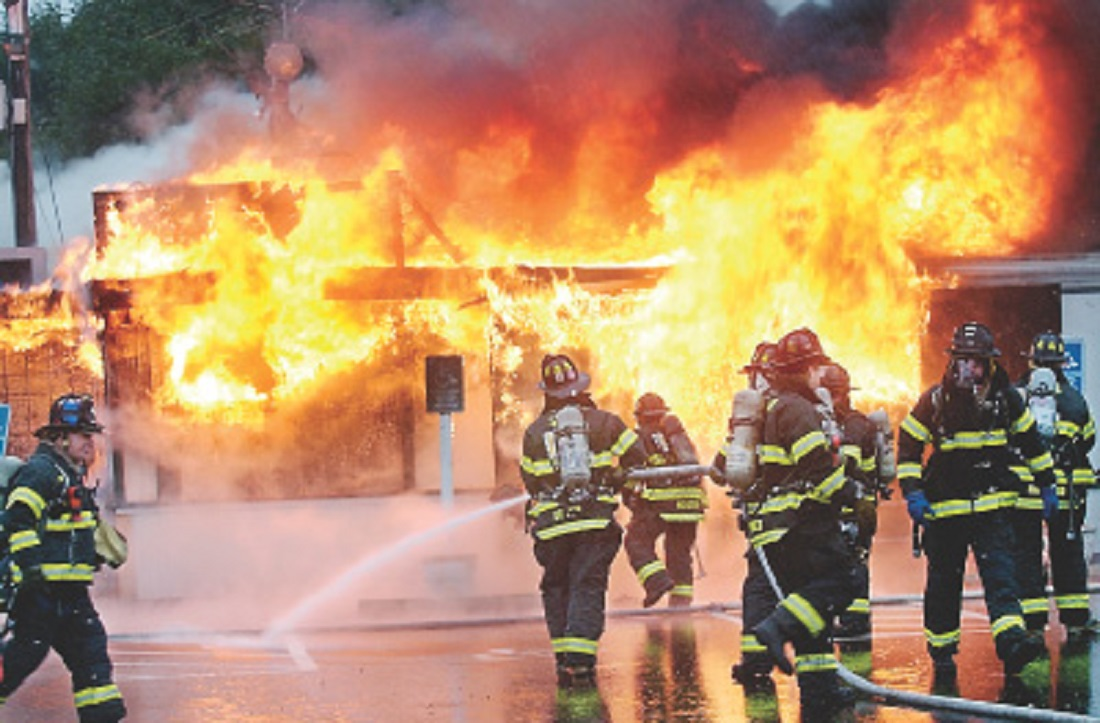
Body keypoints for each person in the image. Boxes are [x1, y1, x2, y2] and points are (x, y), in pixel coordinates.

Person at [897, 321, 1055, 682]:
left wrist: (1048, 485)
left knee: (1003, 580)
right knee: (943, 585)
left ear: (991, 364)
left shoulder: (1006, 400)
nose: (973, 370)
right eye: (966, 361)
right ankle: (942, 653)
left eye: (979, 362)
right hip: (945, 513)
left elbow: (1032, 445)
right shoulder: (935, 400)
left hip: (992, 511)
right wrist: (914, 492)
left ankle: (1012, 645)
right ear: (954, 362)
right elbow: (907, 447)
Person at [738, 328, 860, 718]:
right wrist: (852, 493)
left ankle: (820, 689)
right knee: (843, 582)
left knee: (814, 611)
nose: (818, 375)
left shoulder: (774, 406)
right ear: (804, 369)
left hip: (777, 526)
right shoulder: (796, 409)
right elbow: (817, 470)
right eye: (815, 367)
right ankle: (777, 627)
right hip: (800, 525)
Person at [519, 354, 646, 689]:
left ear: (547, 390)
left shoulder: (534, 432)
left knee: (556, 587)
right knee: (586, 585)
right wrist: (617, 480)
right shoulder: (605, 422)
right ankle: (581, 660)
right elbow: (638, 455)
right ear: (578, 386)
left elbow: (531, 482)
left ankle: (564, 658)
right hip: (593, 523)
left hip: (552, 526)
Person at [0, 394, 127, 722]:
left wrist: (97, 552)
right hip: (39, 594)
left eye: (92, 435)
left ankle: (102, 717)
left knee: (93, 661)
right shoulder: (41, 473)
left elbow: (74, 531)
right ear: (59, 437)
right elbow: (18, 519)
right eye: (83, 435)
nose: (90, 442)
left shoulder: (72, 477)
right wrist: (30, 572)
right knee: (19, 659)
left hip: (71, 594)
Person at [1010, 331, 1097, 643]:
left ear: (1031, 361)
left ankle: (1033, 623)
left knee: (1026, 554)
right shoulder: (1073, 400)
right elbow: (1088, 439)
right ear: (1062, 363)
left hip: (1024, 493)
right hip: (1066, 493)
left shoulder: (1015, 395)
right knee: (1068, 553)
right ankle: (1075, 621)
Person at [710, 341, 781, 691]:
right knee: (801, 587)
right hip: (797, 519)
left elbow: (722, 466)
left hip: (764, 520)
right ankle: (818, 668)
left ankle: (756, 662)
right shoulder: (795, 408)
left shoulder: (749, 418)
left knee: (760, 588)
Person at [819, 363, 893, 640]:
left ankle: (855, 623)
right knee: (845, 566)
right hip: (848, 508)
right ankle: (845, 620)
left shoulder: (853, 424)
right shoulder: (849, 421)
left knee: (853, 566)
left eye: (831, 394)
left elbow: (845, 465)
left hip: (853, 510)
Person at [623, 392, 706, 608]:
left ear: (640, 416)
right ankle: (680, 605)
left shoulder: (637, 438)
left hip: (661, 502)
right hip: (690, 504)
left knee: (636, 541)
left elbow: (629, 477)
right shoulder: (677, 436)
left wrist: (628, 498)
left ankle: (656, 581)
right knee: (679, 555)